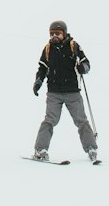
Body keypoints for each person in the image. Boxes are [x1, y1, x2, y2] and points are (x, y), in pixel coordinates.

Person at [32, 20, 98, 161]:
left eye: (58, 33)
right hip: (54, 93)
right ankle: (40, 150)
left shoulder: (74, 46)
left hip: (72, 92)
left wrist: (83, 68)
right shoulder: (48, 48)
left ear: (64, 33)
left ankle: (91, 148)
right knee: (49, 120)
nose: (54, 36)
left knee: (81, 121)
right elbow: (42, 68)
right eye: (52, 34)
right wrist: (38, 82)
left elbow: (86, 63)